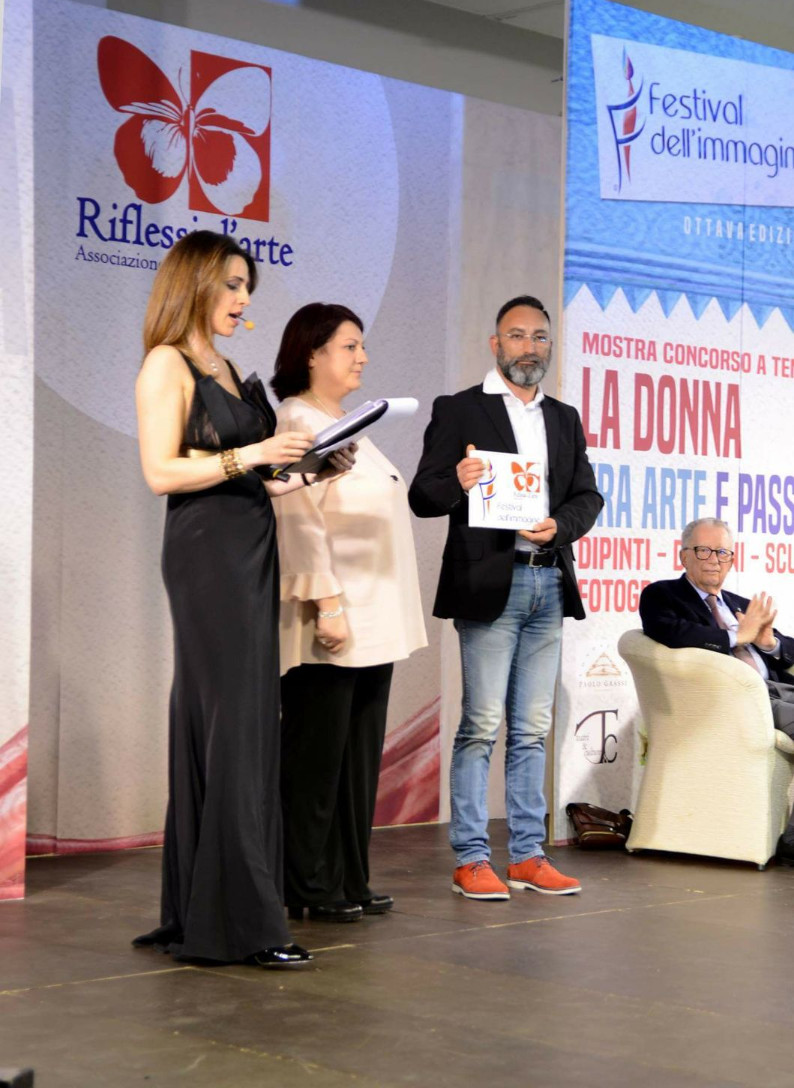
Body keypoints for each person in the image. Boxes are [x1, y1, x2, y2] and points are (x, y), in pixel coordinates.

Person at [132, 231, 351, 968]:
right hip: (206, 556)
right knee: (233, 724)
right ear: (194, 283)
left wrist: (311, 468)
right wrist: (253, 453)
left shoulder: (223, 367)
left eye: (246, 286)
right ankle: (242, 923)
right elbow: (161, 472)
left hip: (251, 548)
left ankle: (209, 907)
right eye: (231, 284)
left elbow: (255, 479)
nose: (243, 298)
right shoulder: (166, 363)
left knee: (246, 721)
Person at [409, 295, 603, 901]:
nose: (529, 347)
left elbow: (587, 496)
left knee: (533, 729)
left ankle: (527, 855)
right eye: (517, 336)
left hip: (548, 579)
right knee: (482, 725)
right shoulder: (461, 409)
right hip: (490, 582)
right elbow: (422, 495)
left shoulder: (563, 418)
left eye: (540, 337)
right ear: (496, 344)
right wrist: (456, 480)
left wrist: (560, 526)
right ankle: (471, 857)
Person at [270, 302, 427, 922]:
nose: (362, 357)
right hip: (333, 617)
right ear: (312, 353)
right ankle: (308, 883)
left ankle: (349, 877)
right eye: (349, 346)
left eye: (362, 346)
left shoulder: (346, 421)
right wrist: (327, 604)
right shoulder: (297, 419)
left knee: (356, 758)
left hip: (374, 620)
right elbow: (298, 519)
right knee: (317, 757)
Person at [639, 516, 794, 863]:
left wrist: (768, 643)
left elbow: (788, 649)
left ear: (732, 559)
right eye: (703, 550)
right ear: (684, 555)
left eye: (722, 552)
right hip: (734, 700)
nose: (714, 560)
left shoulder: (740, 603)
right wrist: (737, 636)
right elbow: (674, 634)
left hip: (775, 691)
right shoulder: (662, 595)